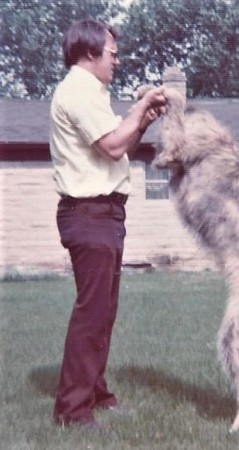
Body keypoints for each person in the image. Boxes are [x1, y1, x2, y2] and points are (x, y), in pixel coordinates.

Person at [49, 18, 166, 429]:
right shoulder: (78, 91)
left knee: (102, 313)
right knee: (92, 314)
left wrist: (143, 120)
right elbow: (114, 143)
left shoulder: (92, 93)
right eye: (112, 53)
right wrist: (137, 110)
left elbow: (119, 149)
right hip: (89, 213)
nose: (117, 60)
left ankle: (95, 394)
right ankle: (72, 411)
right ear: (89, 53)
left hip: (105, 214)